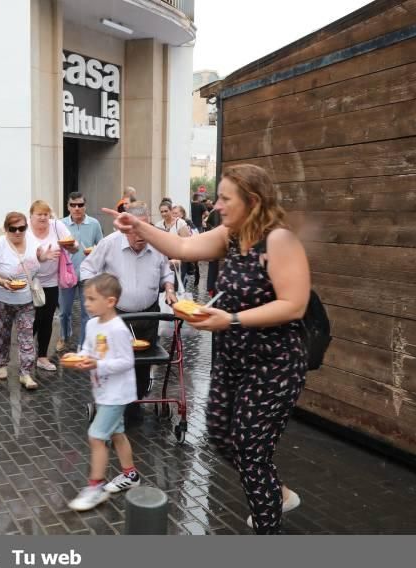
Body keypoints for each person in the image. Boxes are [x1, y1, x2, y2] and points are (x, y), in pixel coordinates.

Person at [104, 164, 310, 535]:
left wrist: (230, 319)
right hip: (232, 360)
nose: (217, 205)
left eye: (225, 199)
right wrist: (139, 227)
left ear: (253, 201)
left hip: (272, 364)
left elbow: (294, 304)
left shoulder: (279, 241)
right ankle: (276, 493)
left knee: (250, 450)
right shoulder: (232, 236)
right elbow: (182, 246)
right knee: (218, 432)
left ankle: (268, 527)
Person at [80, 201, 176, 416]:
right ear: (125, 227)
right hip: (118, 316)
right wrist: (95, 295)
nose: (141, 235)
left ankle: (136, 400)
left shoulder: (157, 244)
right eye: (136, 229)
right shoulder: (109, 243)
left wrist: (169, 289)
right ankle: (116, 403)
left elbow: (166, 272)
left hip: (149, 313)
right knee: (117, 361)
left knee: (144, 363)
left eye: (145, 228)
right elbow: (87, 268)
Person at [68, 274, 141, 512]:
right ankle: (130, 475)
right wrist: (79, 359)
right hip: (102, 391)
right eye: (86, 299)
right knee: (117, 432)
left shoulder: (118, 329)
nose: (86, 304)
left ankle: (95, 487)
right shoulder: (91, 324)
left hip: (116, 394)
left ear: (110, 301)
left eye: (91, 299)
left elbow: (126, 361)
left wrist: (97, 365)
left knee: (97, 436)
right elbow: (88, 350)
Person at [0, 212, 50, 390]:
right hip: (1, 298)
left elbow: (36, 260)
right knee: (0, 334)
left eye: (22, 228)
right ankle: (1, 365)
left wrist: (43, 257)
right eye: (13, 229)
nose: (18, 232)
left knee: (26, 336)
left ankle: (26, 373)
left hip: (26, 300)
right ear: (6, 229)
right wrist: (2, 282)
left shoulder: (33, 242)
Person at [28, 200, 77, 372]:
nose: (43, 218)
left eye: (45, 214)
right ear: (31, 215)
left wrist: (71, 246)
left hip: (50, 281)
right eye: (39, 214)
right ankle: (25, 354)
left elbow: (74, 246)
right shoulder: (25, 229)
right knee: (30, 319)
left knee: (46, 319)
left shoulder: (57, 226)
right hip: (29, 281)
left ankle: (42, 356)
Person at [59, 192, 103, 352]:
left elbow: (101, 245)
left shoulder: (94, 224)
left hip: (88, 275)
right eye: (73, 205)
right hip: (67, 274)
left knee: (87, 312)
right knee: (64, 311)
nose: (77, 208)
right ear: (68, 206)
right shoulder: (61, 224)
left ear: (85, 206)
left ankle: (83, 344)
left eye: (80, 205)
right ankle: (64, 337)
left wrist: (94, 251)